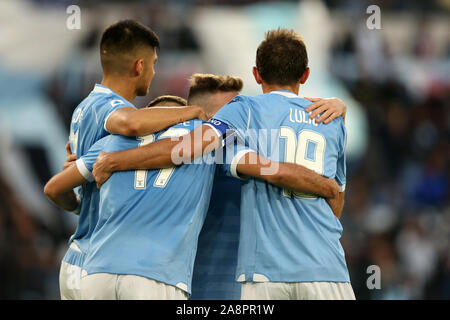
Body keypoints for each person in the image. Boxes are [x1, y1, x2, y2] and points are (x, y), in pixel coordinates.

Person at [93, 29, 354, 300]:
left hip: (264, 274)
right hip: (326, 266)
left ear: (256, 74)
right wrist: (320, 184)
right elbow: (335, 203)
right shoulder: (333, 119)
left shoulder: (244, 111)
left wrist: (114, 160)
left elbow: (187, 148)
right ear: (305, 75)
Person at [44, 99, 340, 300]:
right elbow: (272, 170)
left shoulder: (109, 143)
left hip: (97, 272)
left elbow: (54, 188)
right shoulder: (208, 144)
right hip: (157, 277)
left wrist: (83, 204)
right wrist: (326, 185)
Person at [53, 19, 207, 300]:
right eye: (153, 63)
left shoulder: (83, 108)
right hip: (98, 255)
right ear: (139, 66)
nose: (154, 71)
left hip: (82, 259)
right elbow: (130, 124)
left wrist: (79, 206)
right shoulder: (110, 107)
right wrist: (192, 111)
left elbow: (57, 187)